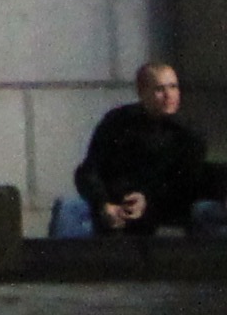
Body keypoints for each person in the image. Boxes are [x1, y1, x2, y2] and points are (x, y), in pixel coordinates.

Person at [76, 61, 215, 234]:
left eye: (173, 87)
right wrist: (103, 204)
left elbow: (184, 184)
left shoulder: (188, 134)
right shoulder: (118, 123)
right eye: (159, 89)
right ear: (142, 92)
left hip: (164, 221)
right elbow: (89, 171)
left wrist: (147, 200)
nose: (169, 95)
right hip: (115, 216)